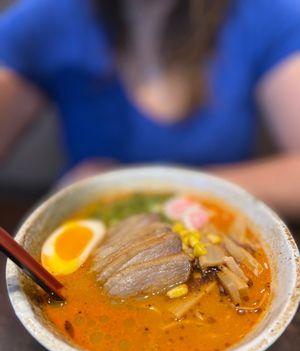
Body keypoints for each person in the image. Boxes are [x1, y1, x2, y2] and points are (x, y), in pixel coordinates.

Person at [0, 0, 300, 217]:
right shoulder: (43, 19)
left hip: (217, 224)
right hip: (85, 227)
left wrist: (142, 189)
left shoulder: (267, 14)